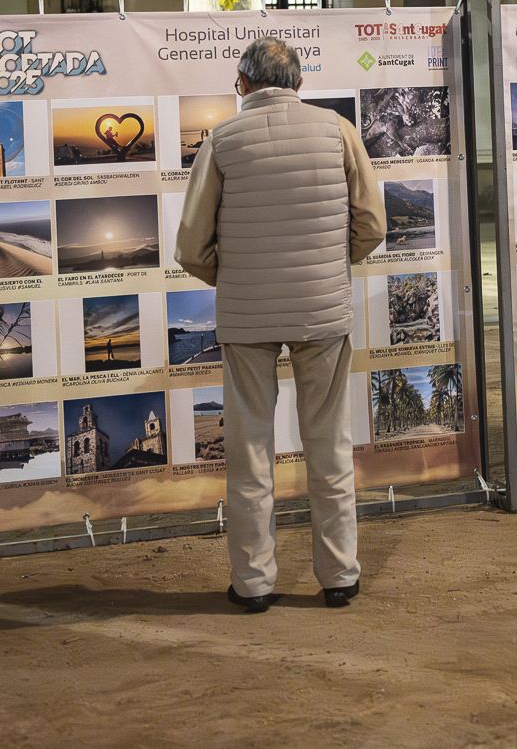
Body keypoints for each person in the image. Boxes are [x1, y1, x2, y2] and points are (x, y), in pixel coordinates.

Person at [174, 36, 385, 612]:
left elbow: (191, 246)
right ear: (298, 84)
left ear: (242, 84)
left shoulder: (221, 140)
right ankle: (339, 576)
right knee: (330, 444)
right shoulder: (337, 130)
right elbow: (370, 223)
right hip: (322, 310)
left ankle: (253, 585)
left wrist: (236, 276)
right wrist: (331, 265)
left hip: (246, 317)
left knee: (250, 452)